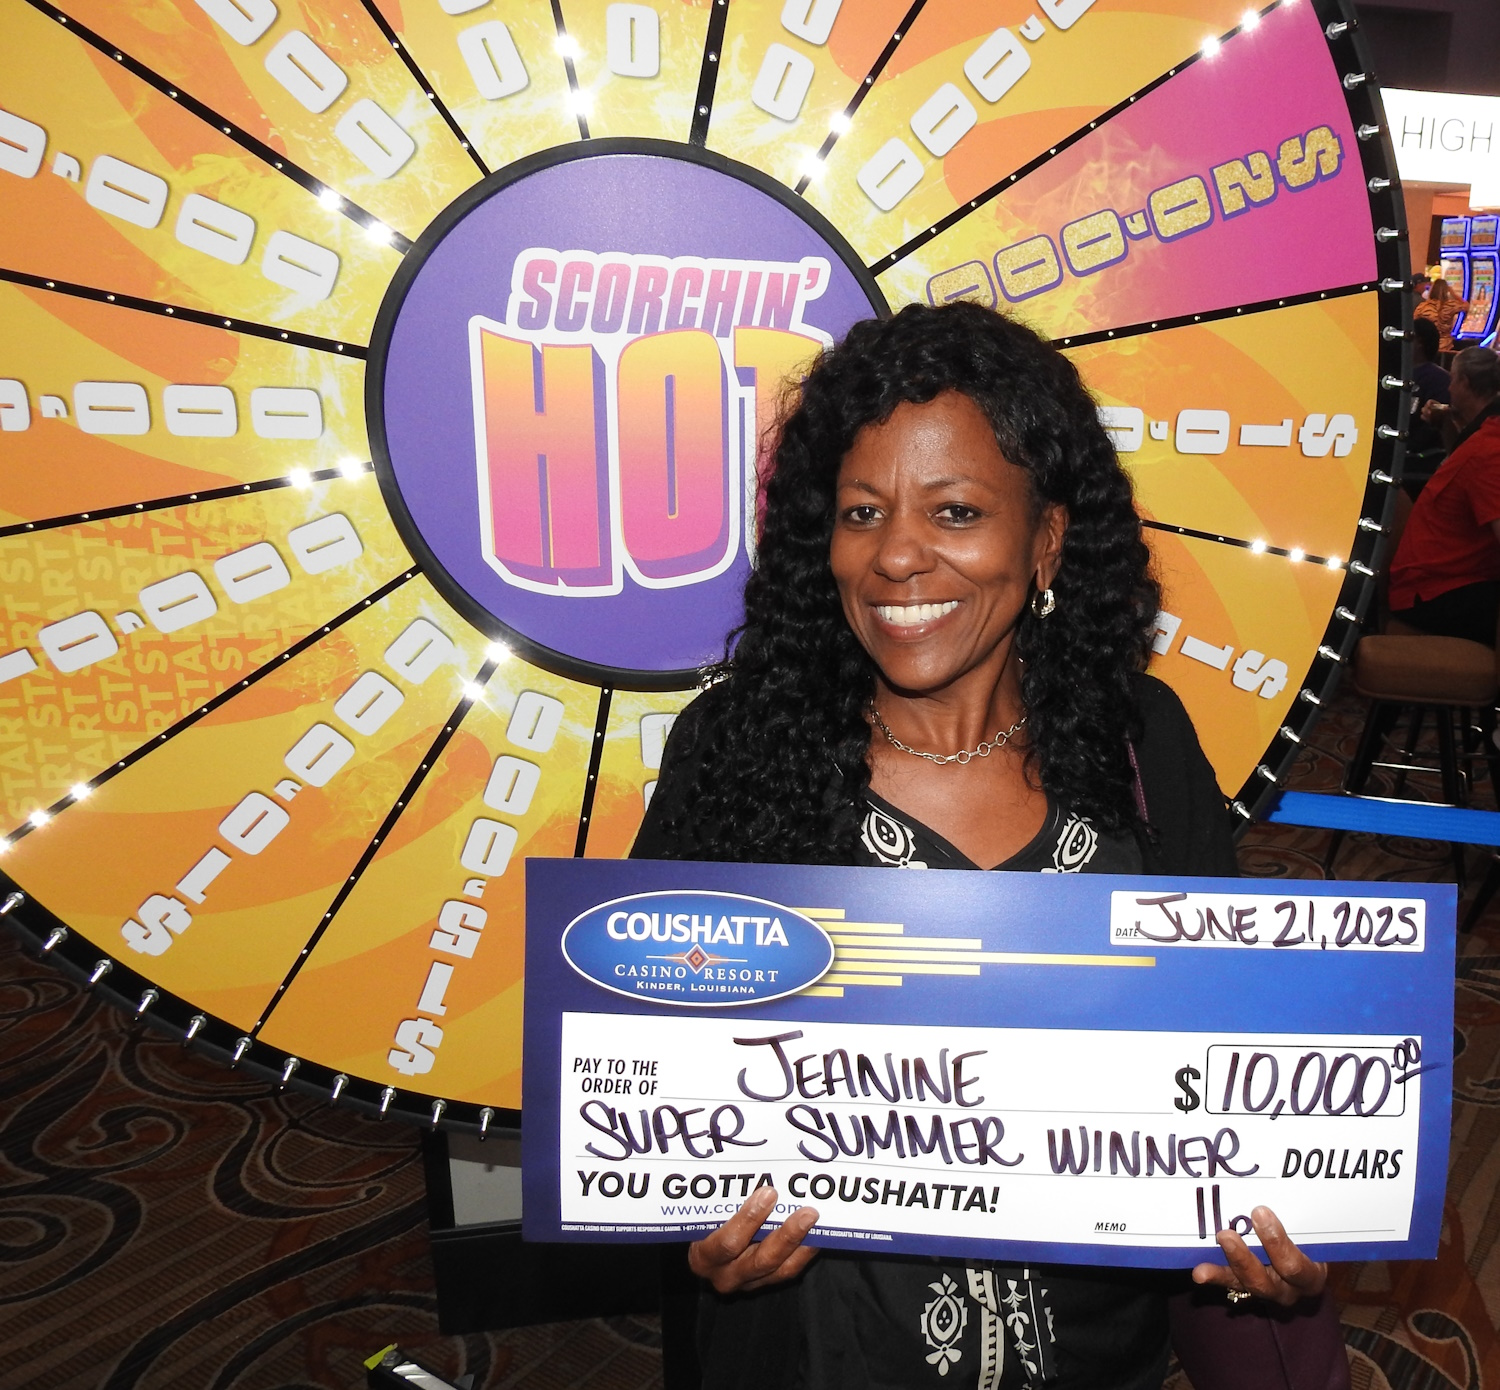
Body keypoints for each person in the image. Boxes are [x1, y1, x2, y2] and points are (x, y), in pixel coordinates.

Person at [633, 303, 1342, 1389]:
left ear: (1047, 539)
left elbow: (1235, 1060)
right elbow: (646, 1084)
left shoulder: (1140, 740)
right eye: (862, 513)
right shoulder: (736, 748)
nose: (896, 556)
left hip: (1101, 1356)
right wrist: (692, 1231)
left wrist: (1277, 1231)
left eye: (955, 510)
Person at [1389, 346, 1500, 644]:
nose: (1449, 388)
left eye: (1451, 380)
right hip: (1431, 589)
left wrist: (1446, 421)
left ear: (1463, 383)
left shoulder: (1485, 436)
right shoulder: (1490, 448)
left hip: (1452, 577)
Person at [1404, 317, 1451, 488]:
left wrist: (1406, 448)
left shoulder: (1438, 379)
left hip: (1418, 462)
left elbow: (1434, 425)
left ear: (1419, 343)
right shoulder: (1394, 375)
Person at [1414, 278, 1468, 361]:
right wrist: (1453, 293)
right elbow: (1467, 306)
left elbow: (1414, 323)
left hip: (1428, 345)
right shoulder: (1450, 305)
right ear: (1446, 291)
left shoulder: (1422, 306)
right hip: (1446, 345)